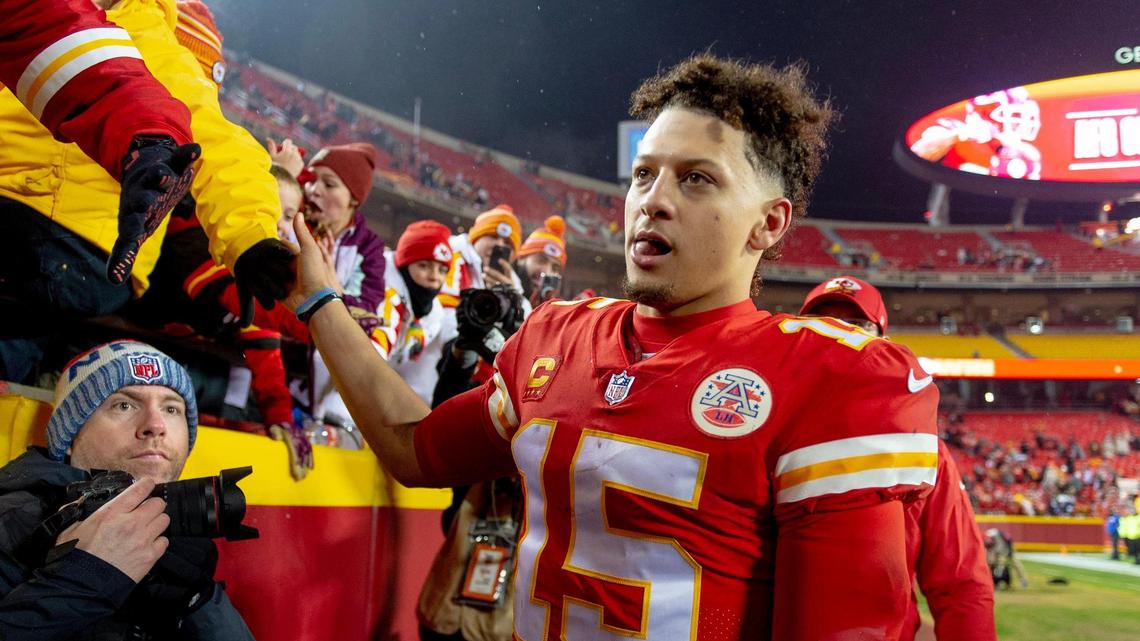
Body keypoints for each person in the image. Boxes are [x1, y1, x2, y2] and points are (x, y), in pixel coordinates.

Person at [288, 54, 940, 639]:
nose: (651, 202)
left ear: (769, 222)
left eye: (697, 180)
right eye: (643, 175)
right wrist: (319, 297)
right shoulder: (556, 336)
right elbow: (412, 446)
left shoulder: (823, 377)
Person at [0, 0, 293, 383]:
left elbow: (214, 140)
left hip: (57, 235)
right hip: (78, 250)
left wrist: (251, 235)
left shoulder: (142, 38)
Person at [0, 340, 253, 639]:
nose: (156, 425)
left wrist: (198, 602)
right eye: (124, 405)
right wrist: (78, 583)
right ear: (69, 435)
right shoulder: (12, 521)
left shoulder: (179, 534)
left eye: (171, 408)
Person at [800, 275, 995, 641]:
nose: (837, 334)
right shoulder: (758, 426)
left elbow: (961, 581)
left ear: (882, 343)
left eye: (855, 325)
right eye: (822, 324)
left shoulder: (922, 449)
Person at [373, 220, 453, 405]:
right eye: (424, 266)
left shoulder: (434, 314)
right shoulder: (381, 294)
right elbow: (369, 360)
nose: (434, 277)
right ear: (403, 265)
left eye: (442, 270)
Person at [514, 215, 568, 307]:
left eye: (555, 268)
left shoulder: (554, 310)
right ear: (521, 259)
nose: (547, 272)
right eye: (541, 261)